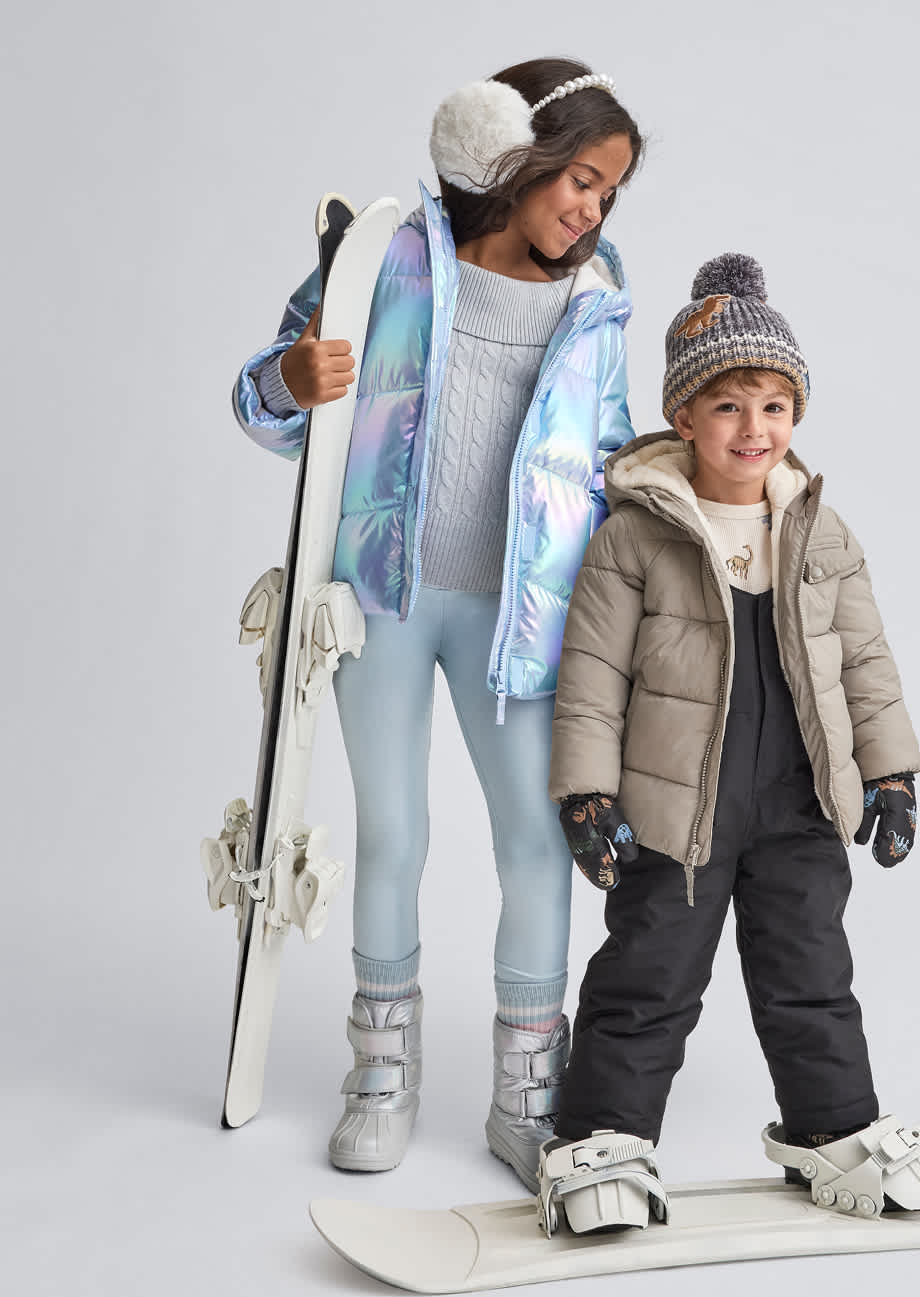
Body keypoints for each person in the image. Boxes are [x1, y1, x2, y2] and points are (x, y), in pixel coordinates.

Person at [232, 61, 643, 1177]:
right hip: (383, 598)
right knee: (395, 833)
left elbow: (607, 461)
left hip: (522, 622)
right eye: (578, 180)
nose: (590, 209)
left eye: (608, 194)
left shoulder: (597, 297)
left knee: (537, 842)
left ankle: (528, 1093)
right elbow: (265, 410)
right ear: (508, 153)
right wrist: (288, 380)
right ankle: (380, 1071)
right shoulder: (387, 256)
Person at [541, 252, 920, 1237]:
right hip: (679, 809)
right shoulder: (635, 537)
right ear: (683, 417)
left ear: (795, 416)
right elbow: (591, 679)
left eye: (774, 406)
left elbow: (866, 662)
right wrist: (586, 796)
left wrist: (889, 773)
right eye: (727, 407)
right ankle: (602, 1139)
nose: (753, 429)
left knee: (812, 972)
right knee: (650, 977)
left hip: (802, 802)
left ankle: (833, 1131)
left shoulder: (821, 530)